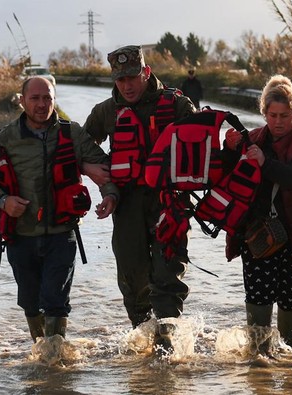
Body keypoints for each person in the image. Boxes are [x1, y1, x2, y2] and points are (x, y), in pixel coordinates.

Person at [0, 77, 119, 342]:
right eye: (35, 98)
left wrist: (109, 195)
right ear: (22, 101)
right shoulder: (5, 138)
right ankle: (40, 354)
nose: (42, 104)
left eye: (47, 98)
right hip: (21, 236)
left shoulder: (71, 133)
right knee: (30, 302)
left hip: (62, 234)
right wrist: (3, 201)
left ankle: (54, 362)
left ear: (54, 99)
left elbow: (102, 164)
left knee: (55, 300)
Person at [81, 45, 197, 351]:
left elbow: (203, 141)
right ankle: (142, 342)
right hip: (128, 204)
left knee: (167, 272)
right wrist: (91, 167)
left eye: (132, 77)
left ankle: (167, 344)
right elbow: (81, 143)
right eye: (120, 80)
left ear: (145, 73)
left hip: (168, 202)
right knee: (132, 277)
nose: (127, 85)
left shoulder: (176, 104)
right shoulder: (106, 112)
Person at [222, 75, 292, 351]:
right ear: (264, 113)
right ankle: (258, 363)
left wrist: (264, 162)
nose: (278, 121)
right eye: (273, 115)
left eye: (285, 115)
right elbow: (226, 177)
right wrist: (228, 149)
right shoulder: (253, 139)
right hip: (258, 236)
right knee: (258, 297)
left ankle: (288, 356)